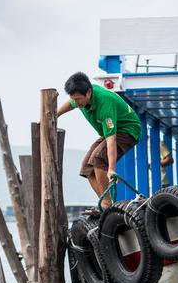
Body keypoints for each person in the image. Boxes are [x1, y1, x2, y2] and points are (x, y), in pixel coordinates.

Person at [58, 71, 140, 208]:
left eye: (78, 99)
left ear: (88, 93)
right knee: (86, 168)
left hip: (127, 131)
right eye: (74, 99)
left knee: (98, 159)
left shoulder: (104, 102)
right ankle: (104, 202)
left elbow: (111, 139)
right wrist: (54, 115)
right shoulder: (79, 99)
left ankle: (108, 204)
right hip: (108, 133)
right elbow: (70, 104)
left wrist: (111, 169)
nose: (76, 103)